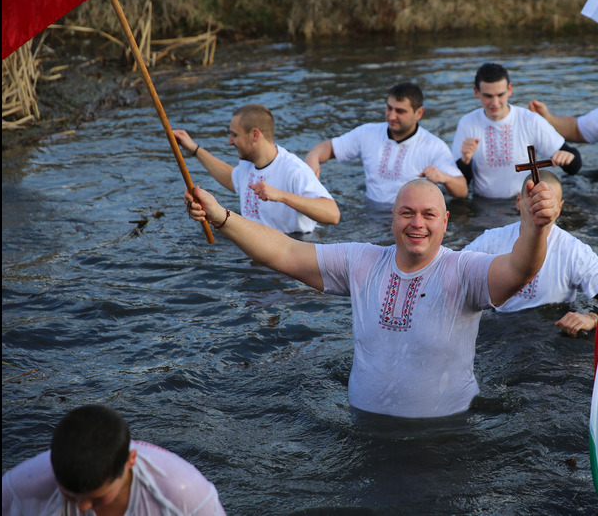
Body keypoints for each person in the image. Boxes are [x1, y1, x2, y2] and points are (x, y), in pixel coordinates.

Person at [183, 177, 560, 418]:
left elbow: (518, 270)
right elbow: (284, 253)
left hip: (443, 438)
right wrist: (221, 216)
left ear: (445, 221)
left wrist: (533, 229)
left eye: (429, 214)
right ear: (392, 218)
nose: (417, 223)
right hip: (362, 434)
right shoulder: (362, 261)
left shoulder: (463, 271)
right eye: (407, 213)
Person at [2, 404, 225, 516]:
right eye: (69, 494)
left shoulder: (186, 494)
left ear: (130, 461)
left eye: (98, 498)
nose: (83, 506)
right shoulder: (18, 488)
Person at [463, 171, 598, 336]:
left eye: (548, 202)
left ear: (558, 209)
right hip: (501, 331)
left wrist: (592, 317)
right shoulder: (490, 241)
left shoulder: (574, 251)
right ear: (519, 201)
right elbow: (451, 277)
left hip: (548, 334)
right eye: (534, 201)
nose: (540, 209)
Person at [173, 103, 340, 234]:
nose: (230, 142)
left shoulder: (294, 170)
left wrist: (281, 196)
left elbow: (333, 214)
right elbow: (231, 178)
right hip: (256, 244)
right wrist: (194, 149)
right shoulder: (248, 164)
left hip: (294, 247)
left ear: (255, 135)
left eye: (235, 135)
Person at [304, 82, 467, 204]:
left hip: (410, 218)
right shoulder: (368, 133)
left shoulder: (433, 147)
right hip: (372, 212)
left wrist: (444, 178)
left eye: (400, 111)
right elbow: (327, 148)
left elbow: (462, 190)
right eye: (389, 108)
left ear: (419, 113)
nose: (391, 116)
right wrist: (313, 156)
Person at [452, 63, 582, 198]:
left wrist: (568, 158)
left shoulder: (530, 120)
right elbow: (460, 185)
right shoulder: (467, 123)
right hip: (484, 205)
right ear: (476, 92)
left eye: (500, 95)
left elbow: (574, 167)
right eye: (488, 96)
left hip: (524, 202)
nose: (495, 103)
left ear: (509, 89)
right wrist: (465, 161)